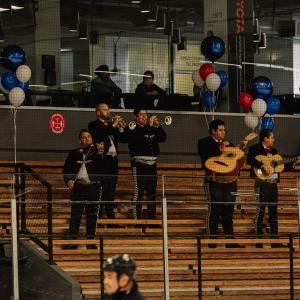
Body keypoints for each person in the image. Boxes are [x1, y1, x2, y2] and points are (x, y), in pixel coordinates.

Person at [197, 119, 247, 248]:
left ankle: (230, 242)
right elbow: (207, 158)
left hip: (229, 181)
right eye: (220, 130)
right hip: (213, 181)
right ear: (213, 131)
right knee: (214, 210)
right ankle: (212, 241)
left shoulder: (229, 143)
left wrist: (240, 150)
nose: (223, 132)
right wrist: (221, 149)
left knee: (228, 212)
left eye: (224, 130)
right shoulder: (204, 142)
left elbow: (235, 161)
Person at [247, 129, 297, 247]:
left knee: (273, 213)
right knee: (261, 212)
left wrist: (293, 163)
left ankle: (275, 242)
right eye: (272, 137)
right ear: (265, 138)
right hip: (260, 183)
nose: (273, 139)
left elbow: (278, 167)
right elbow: (249, 159)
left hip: (273, 183)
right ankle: (259, 241)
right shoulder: (255, 148)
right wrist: (262, 165)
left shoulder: (274, 151)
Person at [121, 108, 166, 222]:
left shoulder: (151, 128)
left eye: (146, 114)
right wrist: (150, 127)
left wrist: (157, 126)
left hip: (152, 165)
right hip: (139, 164)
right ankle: (137, 220)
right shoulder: (132, 127)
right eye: (141, 114)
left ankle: (152, 219)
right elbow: (135, 138)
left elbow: (163, 138)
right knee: (139, 192)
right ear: (135, 117)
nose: (144, 117)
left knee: (152, 193)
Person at [63, 129, 105, 249]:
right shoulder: (73, 153)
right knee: (75, 215)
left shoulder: (98, 153)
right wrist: (69, 180)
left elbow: (104, 167)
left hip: (93, 187)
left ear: (92, 139)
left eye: (89, 137)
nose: (86, 139)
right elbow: (66, 169)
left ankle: (90, 242)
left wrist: (101, 152)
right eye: (83, 137)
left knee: (92, 216)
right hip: (78, 187)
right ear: (80, 140)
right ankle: (72, 242)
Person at [88, 103, 125, 224]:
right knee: (101, 189)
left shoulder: (110, 126)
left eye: (108, 110)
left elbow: (121, 138)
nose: (108, 112)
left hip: (113, 161)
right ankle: (97, 217)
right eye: (105, 110)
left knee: (111, 190)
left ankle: (111, 219)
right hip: (102, 161)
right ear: (98, 112)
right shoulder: (93, 125)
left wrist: (119, 127)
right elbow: (99, 135)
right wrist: (113, 125)